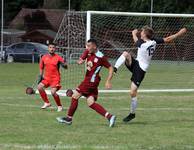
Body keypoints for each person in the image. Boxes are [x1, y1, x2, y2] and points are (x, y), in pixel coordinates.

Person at [113, 26, 187, 122]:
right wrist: (179, 33)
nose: (141, 33)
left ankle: (132, 114)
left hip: (140, 70)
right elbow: (168, 39)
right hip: (136, 63)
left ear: (144, 34)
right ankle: (114, 68)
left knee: (132, 92)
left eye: (142, 32)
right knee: (125, 54)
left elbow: (136, 40)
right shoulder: (153, 40)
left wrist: (133, 33)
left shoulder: (143, 44)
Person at [56, 39, 116, 127]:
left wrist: (108, 81)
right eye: (86, 46)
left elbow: (111, 68)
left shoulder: (100, 57)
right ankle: (110, 116)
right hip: (91, 81)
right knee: (90, 103)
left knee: (75, 96)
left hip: (90, 81)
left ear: (94, 46)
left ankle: (69, 119)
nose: (86, 48)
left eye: (88, 46)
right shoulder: (88, 52)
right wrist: (81, 60)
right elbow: (82, 57)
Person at [37, 42, 68, 112]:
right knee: (39, 87)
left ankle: (60, 106)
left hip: (55, 79)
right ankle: (47, 102)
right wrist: (40, 76)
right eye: (50, 47)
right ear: (48, 48)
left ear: (55, 49)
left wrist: (64, 65)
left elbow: (65, 67)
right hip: (47, 78)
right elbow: (41, 68)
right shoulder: (44, 57)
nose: (52, 49)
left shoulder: (58, 58)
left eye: (53, 48)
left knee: (53, 92)